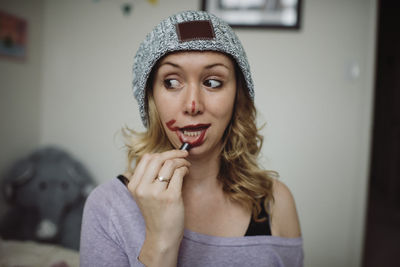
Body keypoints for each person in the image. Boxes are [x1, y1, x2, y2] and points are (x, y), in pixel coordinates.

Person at [80, 10, 303, 267]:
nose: (193, 105)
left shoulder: (276, 203)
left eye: (213, 82)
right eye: (172, 82)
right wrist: (160, 242)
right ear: (151, 99)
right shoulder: (108, 207)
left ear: (236, 97)